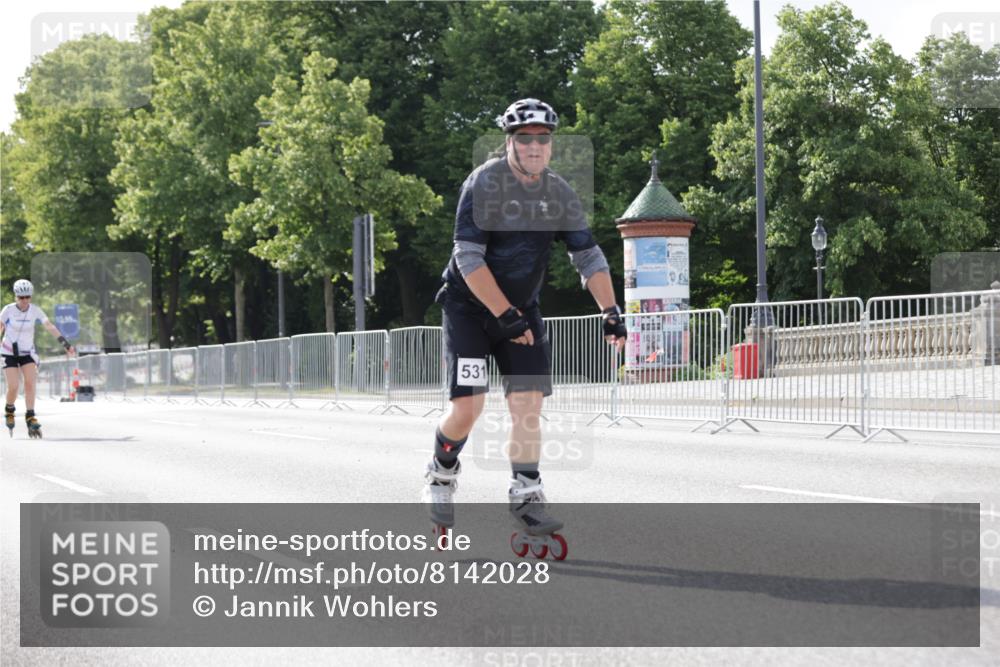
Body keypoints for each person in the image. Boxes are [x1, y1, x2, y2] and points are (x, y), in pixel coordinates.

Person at [423, 98, 627, 543]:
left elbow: (588, 256)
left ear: (551, 144)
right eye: (525, 138)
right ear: (509, 142)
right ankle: (441, 471)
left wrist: (610, 312)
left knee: (528, 404)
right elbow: (468, 257)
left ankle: (526, 494)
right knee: (468, 408)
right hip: (470, 309)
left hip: (521, 310)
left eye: (543, 139)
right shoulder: (484, 184)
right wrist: (504, 315)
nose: (535, 146)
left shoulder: (559, 193)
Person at [1, 279, 75, 438]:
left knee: (30, 383)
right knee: (13, 386)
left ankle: (30, 416)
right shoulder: (8, 310)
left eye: (27, 297)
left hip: (27, 352)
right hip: (9, 352)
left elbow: (49, 326)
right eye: (21, 297)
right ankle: (9, 410)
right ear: (16, 296)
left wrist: (65, 344)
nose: (24, 300)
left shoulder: (35, 310)